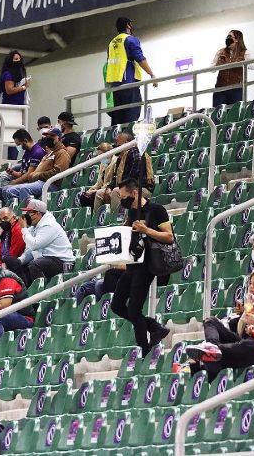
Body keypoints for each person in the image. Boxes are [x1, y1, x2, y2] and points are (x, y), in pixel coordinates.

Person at [110, 178, 172, 357]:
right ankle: (154, 327)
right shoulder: (132, 212)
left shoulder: (156, 210)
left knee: (134, 309)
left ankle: (144, 349)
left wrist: (147, 231)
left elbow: (169, 237)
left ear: (135, 193)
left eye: (124, 197)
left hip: (147, 265)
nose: (123, 201)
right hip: (133, 264)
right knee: (117, 305)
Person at [3, 199, 75, 288]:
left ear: (38, 213)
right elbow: (30, 250)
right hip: (48, 260)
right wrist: (19, 261)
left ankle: (40, 293)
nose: (26, 216)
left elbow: (34, 245)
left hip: (63, 262)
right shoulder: (34, 227)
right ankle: (26, 294)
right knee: (21, 267)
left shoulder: (49, 225)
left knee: (35, 265)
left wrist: (24, 228)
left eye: (29, 213)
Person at [202, 270, 254, 348]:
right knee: (210, 321)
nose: (251, 286)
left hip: (253, 347)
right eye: (250, 283)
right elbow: (234, 328)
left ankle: (215, 350)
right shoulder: (252, 307)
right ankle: (212, 348)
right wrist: (243, 314)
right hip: (242, 343)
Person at [105, 17, 157, 125]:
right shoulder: (130, 39)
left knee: (119, 121)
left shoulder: (111, 43)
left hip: (115, 87)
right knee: (131, 118)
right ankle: (130, 140)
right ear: (128, 25)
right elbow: (140, 58)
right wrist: (152, 75)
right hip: (129, 84)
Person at [1, 127, 70, 202]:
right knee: (3, 190)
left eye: (52, 136)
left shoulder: (62, 153)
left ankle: (25, 213)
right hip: (39, 182)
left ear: (59, 138)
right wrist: (33, 175)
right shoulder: (50, 153)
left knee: (18, 190)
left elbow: (58, 172)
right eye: (47, 136)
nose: (48, 138)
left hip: (50, 184)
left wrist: (38, 175)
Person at [105, 132, 155, 211]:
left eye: (117, 142)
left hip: (142, 188)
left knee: (116, 192)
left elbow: (134, 179)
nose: (115, 145)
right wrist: (109, 187)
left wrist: (122, 187)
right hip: (128, 187)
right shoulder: (120, 158)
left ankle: (115, 219)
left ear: (126, 143)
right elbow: (115, 177)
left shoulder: (135, 153)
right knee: (100, 193)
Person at [0, 129, 45, 201]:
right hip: (25, 180)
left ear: (25, 141)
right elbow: (22, 174)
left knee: (6, 189)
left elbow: (28, 175)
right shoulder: (26, 153)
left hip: (32, 182)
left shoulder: (37, 152)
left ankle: (10, 208)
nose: (18, 147)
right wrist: (13, 173)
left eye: (19, 144)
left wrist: (13, 183)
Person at [211, 30, 254, 107]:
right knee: (219, 114)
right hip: (220, 88)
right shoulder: (221, 52)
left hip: (236, 89)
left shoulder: (245, 52)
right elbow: (211, 69)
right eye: (227, 36)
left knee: (234, 113)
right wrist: (218, 64)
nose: (227, 39)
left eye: (230, 37)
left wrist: (242, 64)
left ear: (237, 39)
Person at [78, 142, 113, 212]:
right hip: (102, 188)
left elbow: (111, 182)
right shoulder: (103, 163)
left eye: (100, 155)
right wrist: (90, 190)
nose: (99, 158)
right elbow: (98, 182)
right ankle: (88, 217)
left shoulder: (114, 162)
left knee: (94, 195)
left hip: (109, 188)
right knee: (84, 196)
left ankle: (95, 216)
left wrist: (95, 191)